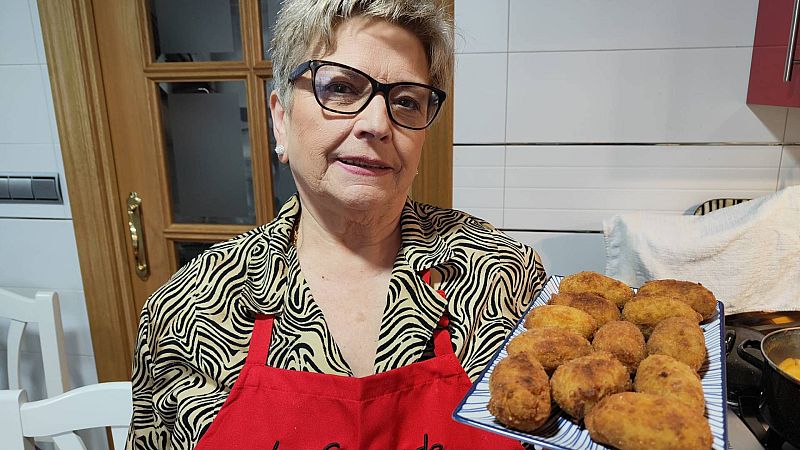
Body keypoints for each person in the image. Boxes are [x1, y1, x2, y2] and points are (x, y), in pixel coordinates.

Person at [127, 0, 546, 448]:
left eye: (406, 101)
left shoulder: (508, 275)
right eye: (342, 88)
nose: (377, 124)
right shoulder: (189, 309)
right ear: (281, 120)